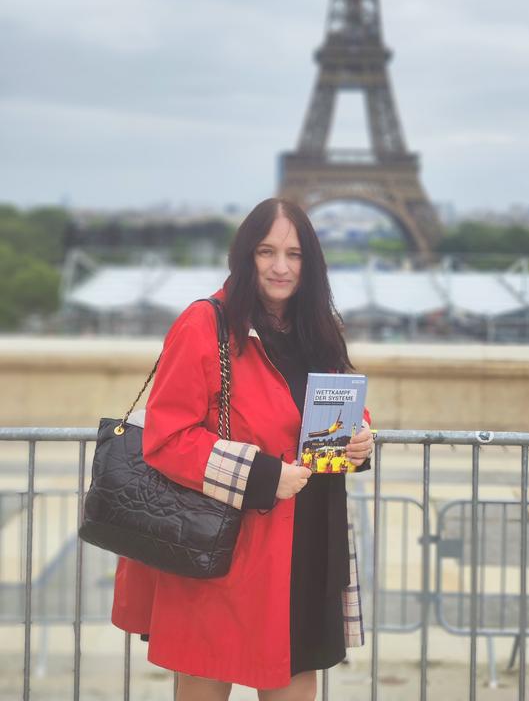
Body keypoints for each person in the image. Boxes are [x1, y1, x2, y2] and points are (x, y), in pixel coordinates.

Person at [111, 198, 374, 701]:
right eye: (266, 251)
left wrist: (359, 435)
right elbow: (166, 437)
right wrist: (263, 475)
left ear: (311, 262)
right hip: (227, 548)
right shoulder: (204, 324)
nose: (280, 266)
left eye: (294, 254)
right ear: (244, 256)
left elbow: (336, 406)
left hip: (307, 542)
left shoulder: (318, 328)